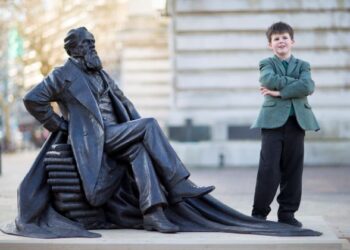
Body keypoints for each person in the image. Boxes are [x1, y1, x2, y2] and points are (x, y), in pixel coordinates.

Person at [1, 27, 321, 239]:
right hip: (92, 142)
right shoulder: (62, 75)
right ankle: (180, 183)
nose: (92, 48)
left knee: (140, 147)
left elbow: (124, 105)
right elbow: (32, 99)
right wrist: (62, 126)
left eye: (93, 43)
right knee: (151, 125)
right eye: (87, 45)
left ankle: (153, 213)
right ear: (74, 51)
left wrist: (135, 129)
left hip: (116, 134)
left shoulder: (99, 72)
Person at [251, 22, 320, 227]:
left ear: (292, 41)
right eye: (276, 39)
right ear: (270, 45)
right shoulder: (266, 63)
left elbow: (308, 85)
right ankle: (259, 213)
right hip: (272, 123)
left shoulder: (304, 65)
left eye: (284, 38)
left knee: (293, 169)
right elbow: (268, 80)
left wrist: (279, 92)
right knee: (269, 168)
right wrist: (295, 85)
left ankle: (287, 213)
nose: (281, 41)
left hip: (297, 122)